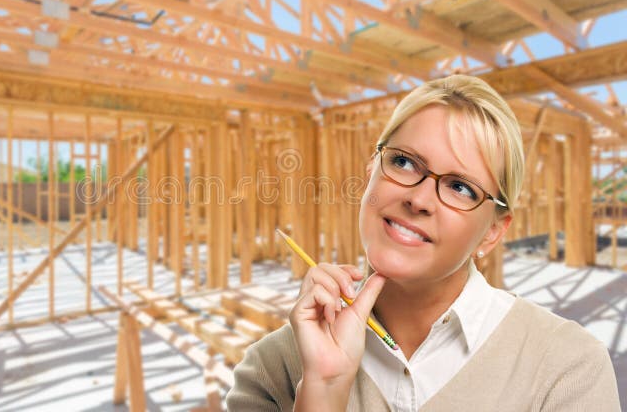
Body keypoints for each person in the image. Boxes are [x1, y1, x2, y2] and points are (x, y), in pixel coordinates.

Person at [226, 75, 620, 411]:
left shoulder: (567, 369)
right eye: (404, 162)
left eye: (461, 187)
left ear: (493, 232)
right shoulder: (274, 367)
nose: (418, 199)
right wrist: (324, 393)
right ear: (370, 173)